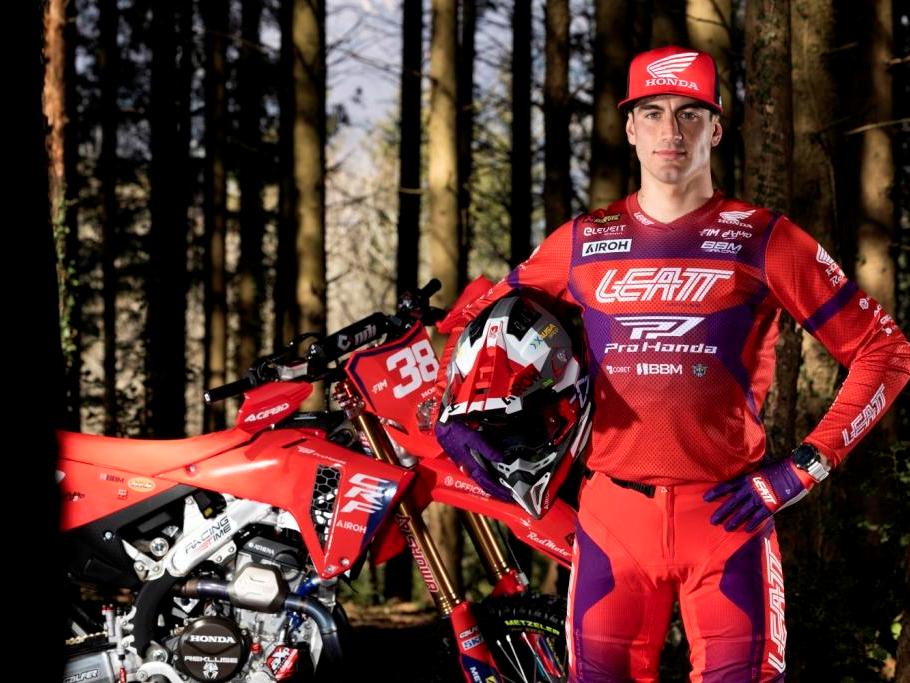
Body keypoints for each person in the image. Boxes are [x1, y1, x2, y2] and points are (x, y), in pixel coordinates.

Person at [433, 45, 910, 681]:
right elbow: (476, 322)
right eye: (653, 113)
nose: (671, 131)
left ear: (716, 129)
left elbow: (886, 351)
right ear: (630, 128)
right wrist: (459, 410)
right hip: (612, 521)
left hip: (728, 517)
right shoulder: (581, 241)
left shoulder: (763, 237)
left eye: (689, 113)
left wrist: (804, 468)